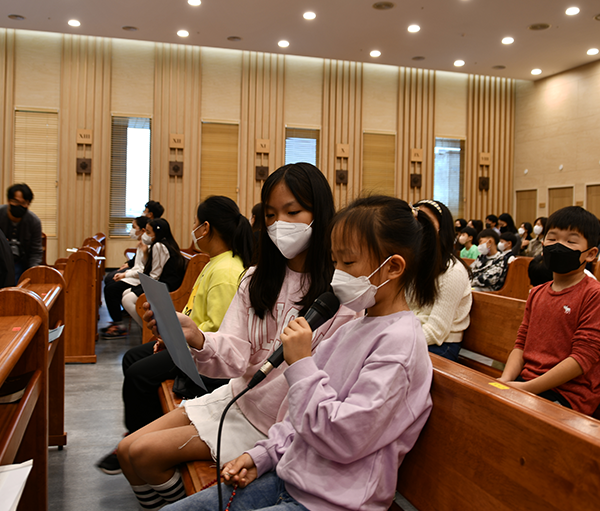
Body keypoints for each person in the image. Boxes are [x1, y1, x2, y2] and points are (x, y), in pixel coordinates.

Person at [163, 195, 435, 511]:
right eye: (334, 262)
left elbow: (344, 438)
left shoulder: (399, 346)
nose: (337, 274)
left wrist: (303, 363)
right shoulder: (354, 327)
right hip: (290, 477)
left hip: (333, 502)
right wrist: (263, 455)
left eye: (348, 263)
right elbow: (297, 415)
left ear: (393, 267)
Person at [116, 162, 355, 509]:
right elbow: (235, 354)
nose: (279, 225)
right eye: (271, 215)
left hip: (270, 428)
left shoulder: (338, 296)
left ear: (320, 214)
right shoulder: (257, 278)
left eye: (293, 212)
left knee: (143, 454)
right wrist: (195, 336)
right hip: (237, 398)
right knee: (126, 450)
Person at [97, 196, 254, 475]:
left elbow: (220, 333)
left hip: (203, 354)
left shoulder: (227, 271)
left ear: (205, 228)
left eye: (196, 223)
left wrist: (176, 337)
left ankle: (142, 440)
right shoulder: (214, 262)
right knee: (132, 358)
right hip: (188, 342)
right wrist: (167, 334)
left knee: (139, 374)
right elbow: (196, 315)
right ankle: (140, 433)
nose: (193, 228)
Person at [499, 206, 600, 416]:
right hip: (527, 382)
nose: (558, 246)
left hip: (568, 394)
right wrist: (505, 380)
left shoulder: (593, 294)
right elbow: (521, 344)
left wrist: (525, 389)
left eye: (571, 241)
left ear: (590, 254)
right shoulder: (536, 293)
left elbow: (582, 358)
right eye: (552, 238)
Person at [409, 199, 472, 362]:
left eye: (426, 222)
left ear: (441, 230)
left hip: (442, 345)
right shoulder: (414, 263)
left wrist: (398, 342)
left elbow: (436, 331)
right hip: (412, 335)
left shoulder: (453, 272)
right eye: (416, 221)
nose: (419, 227)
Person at [121, 219, 186, 327]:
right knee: (126, 293)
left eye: (148, 232)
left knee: (127, 300)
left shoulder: (159, 246)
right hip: (163, 283)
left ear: (158, 233)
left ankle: (148, 330)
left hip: (165, 287)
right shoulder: (167, 243)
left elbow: (155, 276)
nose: (145, 235)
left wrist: (143, 286)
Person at [102, 216, 149, 338]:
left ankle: (119, 326)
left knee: (111, 289)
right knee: (111, 282)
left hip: (140, 279)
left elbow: (143, 269)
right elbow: (137, 266)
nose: (131, 230)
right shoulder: (141, 243)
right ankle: (117, 321)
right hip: (135, 275)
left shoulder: (147, 246)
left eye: (134, 227)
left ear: (143, 230)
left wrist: (124, 274)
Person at [0, 183, 43, 283]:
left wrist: (33, 273)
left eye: (23, 203)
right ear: (9, 200)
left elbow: (35, 252)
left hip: (22, 263)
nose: (19, 206)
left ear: (28, 204)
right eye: (15, 201)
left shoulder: (34, 221)